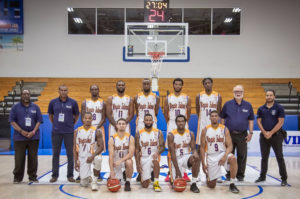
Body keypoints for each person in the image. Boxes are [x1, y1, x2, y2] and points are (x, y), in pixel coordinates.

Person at [200, 111, 239, 193]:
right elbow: (202, 148)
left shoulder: (224, 129)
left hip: (222, 153)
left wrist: (225, 156)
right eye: (212, 116)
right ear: (210, 118)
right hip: (211, 156)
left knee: (233, 159)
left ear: (218, 118)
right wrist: (203, 163)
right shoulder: (205, 130)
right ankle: (209, 176)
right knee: (211, 185)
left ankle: (232, 183)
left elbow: (230, 146)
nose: (214, 117)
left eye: (216, 116)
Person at [220, 85, 254, 181]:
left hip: (242, 134)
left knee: (242, 155)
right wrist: (222, 132)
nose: (238, 93)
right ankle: (228, 174)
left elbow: (251, 120)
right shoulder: (227, 104)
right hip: (229, 134)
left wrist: (250, 133)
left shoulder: (248, 105)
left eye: (239, 91)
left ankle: (240, 175)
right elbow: (222, 118)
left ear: (243, 92)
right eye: (236, 91)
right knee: (229, 155)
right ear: (233, 92)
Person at [255, 89, 288, 186]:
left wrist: (271, 133)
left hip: (276, 136)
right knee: (264, 158)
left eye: (271, 95)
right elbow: (259, 122)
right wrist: (265, 133)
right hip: (264, 136)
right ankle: (262, 176)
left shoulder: (279, 108)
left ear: (274, 97)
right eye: (267, 95)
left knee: (279, 157)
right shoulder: (261, 109)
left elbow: (281, 122)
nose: (269, 97)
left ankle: (284, 179)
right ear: (265, 97)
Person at [9, 89, 43, 184]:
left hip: (33, 137)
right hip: (19, 137)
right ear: (21, 95)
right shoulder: (15, 107)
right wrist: (21, 131)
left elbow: (39, 121)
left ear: (30, 95)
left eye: (27, 94)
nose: (26, 95)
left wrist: (33, 131)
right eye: (24, 94)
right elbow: (12, 121)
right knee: (19, 158)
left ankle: (32, 177)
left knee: (33, 158)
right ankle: (17, 177)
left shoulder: (35, 107)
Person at [48, 85, 79, 183]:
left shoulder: (73, 102)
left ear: (67, 91)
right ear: (58, 91)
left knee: (70, 154)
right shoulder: (53, 102)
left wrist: (71, 124)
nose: (63, 92)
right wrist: (56, 124)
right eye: (61, 90)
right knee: (55, 154)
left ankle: (70, 175)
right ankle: (54, 175)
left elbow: (77, 115)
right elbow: (50, 115)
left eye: (65, 90)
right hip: (56, 132)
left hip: (69, 132)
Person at [164, 78, 191, 182]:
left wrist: (183, 123)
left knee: (184, 148)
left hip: (183, 124)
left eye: (180, 84)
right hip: (171, 124)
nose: (178, 86)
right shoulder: (168, 98)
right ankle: (170, 173)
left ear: (182, 86)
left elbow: (188, 111)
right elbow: (166, 111)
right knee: (171, 150)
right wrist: (171, 122)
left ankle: (184, 173)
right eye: (176, 84)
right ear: (173, 85)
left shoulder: (186, 97)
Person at [195, 77, 222, 182]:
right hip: (202, 125)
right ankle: (197, 174)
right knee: (199, 150)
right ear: (203, 85)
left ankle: (216, 174)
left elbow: (219, 110)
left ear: (212, 84)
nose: (207, 84)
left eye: (209, 83)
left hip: (214, 126)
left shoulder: (217, 96)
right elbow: (198, 110)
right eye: (205, 83)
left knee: (216, 150)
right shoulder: (199, 95)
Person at [79, 84, 106, 182]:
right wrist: (89, 127)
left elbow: (104, 118)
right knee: (84, 150)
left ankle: (97, 174)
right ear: (90, 91)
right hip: (87, 128)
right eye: (92, 89)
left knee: (98, 153)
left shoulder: (103, 102)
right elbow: (83, 117)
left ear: (99, 90)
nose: (94, 91)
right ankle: (82, 172)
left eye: (96, 89)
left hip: (98, 128)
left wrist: (96, 128)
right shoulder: (84, 102)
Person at [168, 115, 200, 193]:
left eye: (182, 121)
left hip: (186, 157)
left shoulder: (190, 133)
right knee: (176, 185)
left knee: (196, 158)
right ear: (176, 123)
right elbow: (172, 154)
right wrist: (177, 170)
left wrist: (196, 155)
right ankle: (171, 175)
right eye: (179, 121)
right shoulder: (171, 135)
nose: (181, 123)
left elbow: (193, 149)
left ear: (185, 122)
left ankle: (194, 183)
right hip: (175, 158)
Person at [73, 112, 104, 191]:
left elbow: (101, 146)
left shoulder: (96, 131)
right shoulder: (77, 131)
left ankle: (94, 181)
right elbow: (74, 147)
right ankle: (88, 177)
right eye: (85, 118)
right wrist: (76, 161)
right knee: (84, 184)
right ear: (83, 119)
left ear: (92, 119)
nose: (87, 120)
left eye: (89, 118)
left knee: (98, 159)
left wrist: (92, 156)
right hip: (83, 157)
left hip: (92, 155)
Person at [135, 114, 165, 191]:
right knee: (145, 185)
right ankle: (144, 175)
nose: (148, 122)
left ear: (153, 121)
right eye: (146, 120)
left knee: (156, 162)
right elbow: (137, 150)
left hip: (153, 157)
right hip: (143, 158)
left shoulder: (158, 132)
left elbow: (162, 147)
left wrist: (158, 153)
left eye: (150, 120)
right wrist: (138, 164)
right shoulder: (139, 133)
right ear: (143, 121)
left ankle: (156, 183)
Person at [108, 118, 135, 191]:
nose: (121, 125)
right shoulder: (112, 138)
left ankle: (128, 182)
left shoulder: (130, 137)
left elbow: (131, 154)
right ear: (116, 126)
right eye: (119, 124)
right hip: (115, 163)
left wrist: (120, 161)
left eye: (123, 124)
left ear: (126, 125)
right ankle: (115, 174)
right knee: (114, 183)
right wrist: (111, 171)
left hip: (125, 160)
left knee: (129, 162)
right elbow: (110, 156)